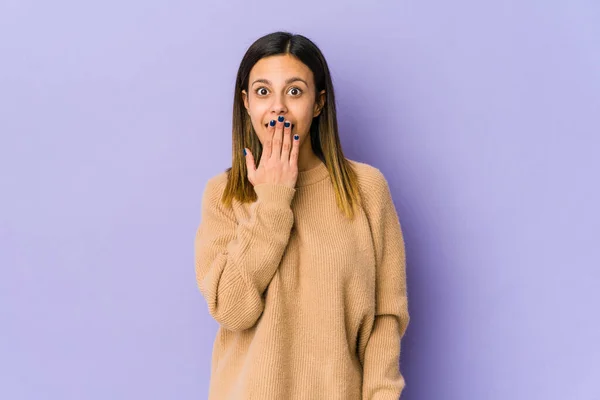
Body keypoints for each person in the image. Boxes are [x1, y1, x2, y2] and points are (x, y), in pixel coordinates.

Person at [194, 31, 410, 399]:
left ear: (318, 103)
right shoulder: (224, 195)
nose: (278, 107)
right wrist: (274, 199)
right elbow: (232, 310)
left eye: (294, 91)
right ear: (246, 103)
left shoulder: (366, 189)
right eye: (263, 92)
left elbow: (385, 320)